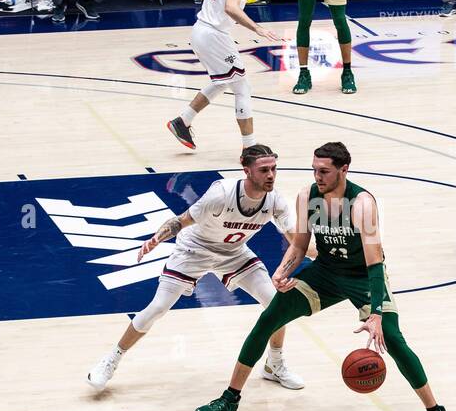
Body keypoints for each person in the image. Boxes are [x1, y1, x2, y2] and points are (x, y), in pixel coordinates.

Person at [195, 141, 454, 411]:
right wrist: (282, 271)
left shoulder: (362, 204)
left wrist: (375, 314)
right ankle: (229, 400)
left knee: (393, 339)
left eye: (324, 171)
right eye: (314, 169)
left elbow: (374, 260)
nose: (317, 176)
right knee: (268, 319)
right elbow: (300, 244)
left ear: (343, 170)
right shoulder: (308, 196)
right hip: (326, 272)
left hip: (363, 277)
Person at [87, 144, 306, 393]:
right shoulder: (221, 194)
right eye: (264, 170)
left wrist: (334, 253)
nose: (271, 175)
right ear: (247, 170)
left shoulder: (276, 201)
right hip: (194, 249)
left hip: (234, 253)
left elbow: (298, 242)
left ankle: (274, 365)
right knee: (157, 308)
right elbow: (180, 221)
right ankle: (112, 360)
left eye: (274, 169)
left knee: (276, 304)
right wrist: (156, 239)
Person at [167, 0, 280, 152]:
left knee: (223, 81)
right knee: (242, 87)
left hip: (201, 31)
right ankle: (250, 149)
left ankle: (183, 121)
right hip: (213, 35)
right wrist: (257, 28)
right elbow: (230, 7)